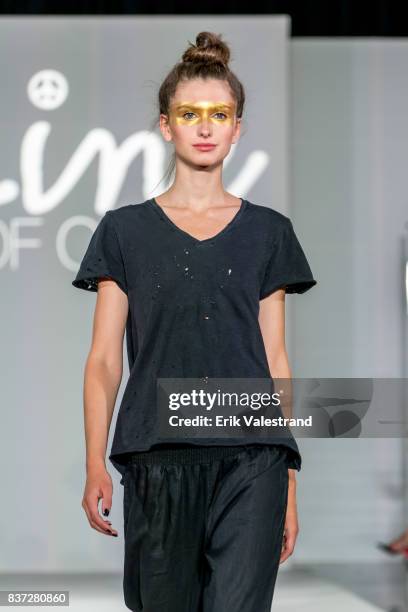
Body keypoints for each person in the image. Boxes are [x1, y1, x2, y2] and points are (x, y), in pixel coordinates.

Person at [72, 31, 317, 612]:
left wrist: (288, 478)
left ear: (238, 128)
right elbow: (105, 360)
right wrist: (93, 463)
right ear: (166, 125)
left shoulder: (269, 232)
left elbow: (274, 358)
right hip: (158, 456)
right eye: (190, 113)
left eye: (220, 114)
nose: (205, 127)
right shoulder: (125, 231)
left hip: (252, 455)